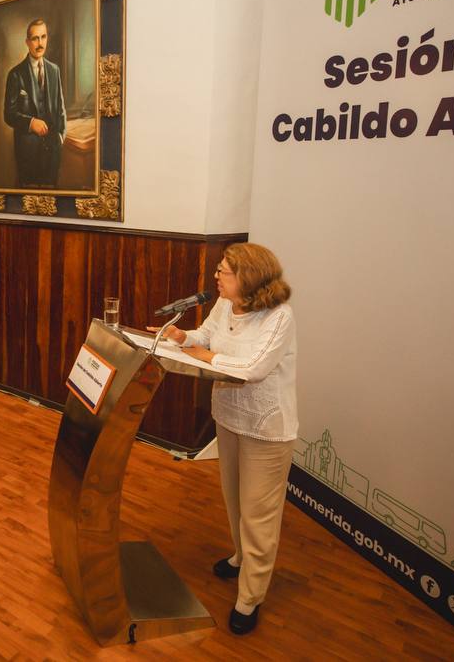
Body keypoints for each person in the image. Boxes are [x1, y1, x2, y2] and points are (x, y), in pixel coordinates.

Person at [152, 243, 296, 636]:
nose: (217, 276)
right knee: (233, 499)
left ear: (248, 276)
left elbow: (254, 368)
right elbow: (206, 337)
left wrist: (205, 356)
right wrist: (182, 337)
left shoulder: (278, 316)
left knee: (259, 514)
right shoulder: (224, 305)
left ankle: (250, 597)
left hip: (267, 428)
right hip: (229, 417)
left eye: (224, 271)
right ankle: (239, 558)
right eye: (218, 270)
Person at [2, 18, 66, 188]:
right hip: (27, 153)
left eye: (43, 37)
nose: (40, 43)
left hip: (53, 152)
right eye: (35, 38)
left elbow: (60, 108)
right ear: (27, 42)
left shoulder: (55, 70)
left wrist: (60, 136)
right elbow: (9, 115)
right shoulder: (15, 74)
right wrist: (31, 123)